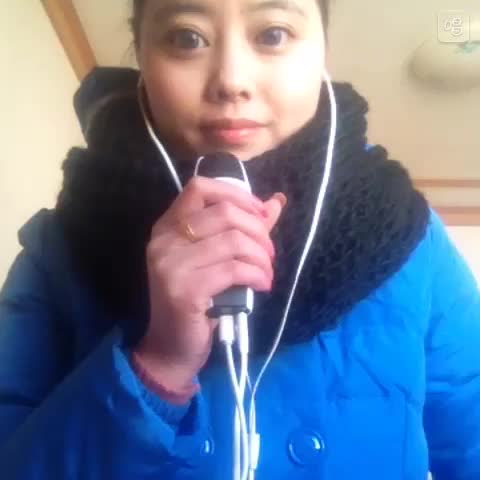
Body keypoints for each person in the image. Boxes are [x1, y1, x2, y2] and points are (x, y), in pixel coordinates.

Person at [0, 0, 479, 478]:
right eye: (187, 38)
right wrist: (157, 366)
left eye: (273, 34)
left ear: (322, 50)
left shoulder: (407, 232)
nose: (231, 81)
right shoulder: (59, 249)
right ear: (142, 53)